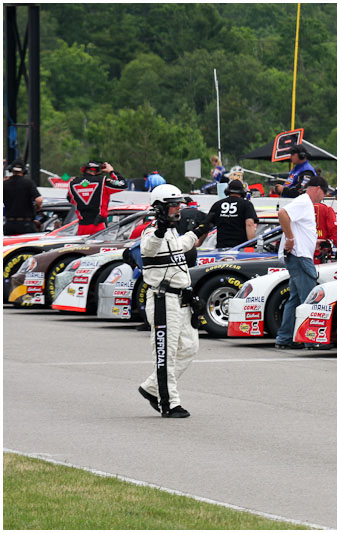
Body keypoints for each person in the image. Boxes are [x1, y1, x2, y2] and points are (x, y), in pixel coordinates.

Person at [137, 184, 214, 418]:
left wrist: (201, 229)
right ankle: (169, 403)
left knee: (190, 347)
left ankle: (152, 388)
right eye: (172, 206)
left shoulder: (171, 231)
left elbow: (180, 247)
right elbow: (149, 248)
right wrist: (160, 229)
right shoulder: (152, 230)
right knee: (165, 352)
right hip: (162, 298)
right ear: (160, 208)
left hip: (182, 299)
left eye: (178, 205)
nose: (177, 209)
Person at [274, 176, 329, 349]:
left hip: (298, 255)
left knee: (295, 299)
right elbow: (282, 213)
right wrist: (290, 238)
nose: (324, 197)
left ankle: (285, 338)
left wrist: (314, 242)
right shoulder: (304, 202)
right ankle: (310, 340)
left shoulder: (304, 203)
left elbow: (298, 227)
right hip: (300, 257)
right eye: (324, 193)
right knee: (310, 298)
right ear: (318, 188)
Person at [67, 160, 127, 235]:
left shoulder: (72, 183)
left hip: (82, 227)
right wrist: (111, 171)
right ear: (98, 171)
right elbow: (123, 184)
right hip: (98, 226)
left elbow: (70, 199)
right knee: (98, 246)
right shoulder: (102, 182)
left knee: (82, 247)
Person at [206, 179, 258, 248]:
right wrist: (252, 244)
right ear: (243, 192)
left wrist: (198, 243)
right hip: (240, 250)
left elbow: (206, 225)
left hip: (221, 249)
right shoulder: (246, 205)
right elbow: (249, 224)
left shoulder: (217, 204)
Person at [3, 159, 43, 235]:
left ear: (11, 170)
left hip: (9, 225)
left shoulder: (4, 184)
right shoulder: (28, 183)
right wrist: (37, 207)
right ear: (24, 171)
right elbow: (39, 200)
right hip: (26, 224)